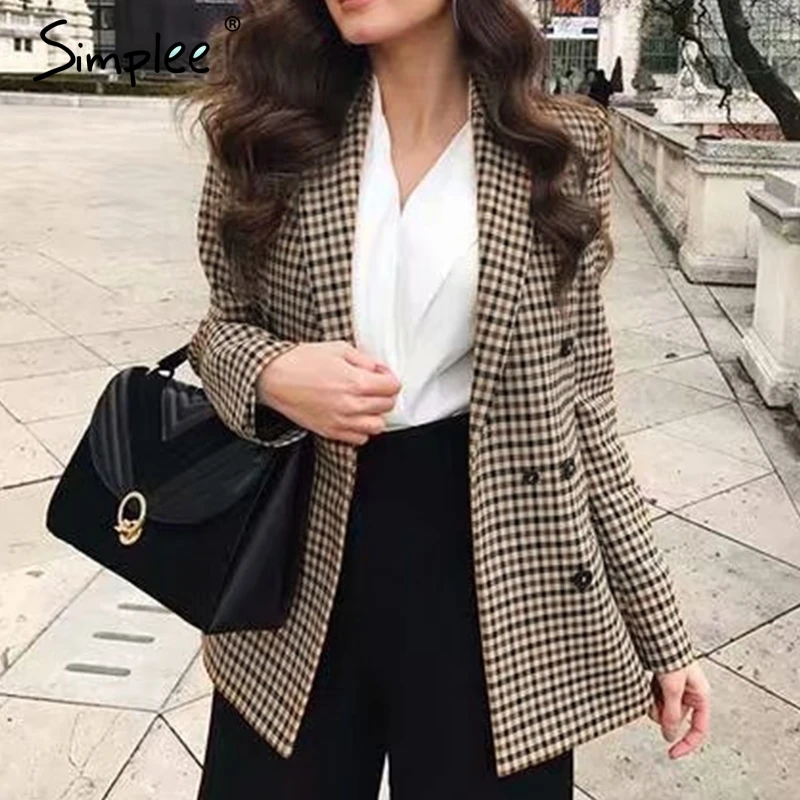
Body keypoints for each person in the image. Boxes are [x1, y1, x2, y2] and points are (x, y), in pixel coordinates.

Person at [182, 1, 710, 797]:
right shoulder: (272, 129)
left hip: (498, 571)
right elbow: (220, 328)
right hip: (297, 562)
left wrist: (661, 633)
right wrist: (271, 373)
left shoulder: (558, 146)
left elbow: (586, 408)